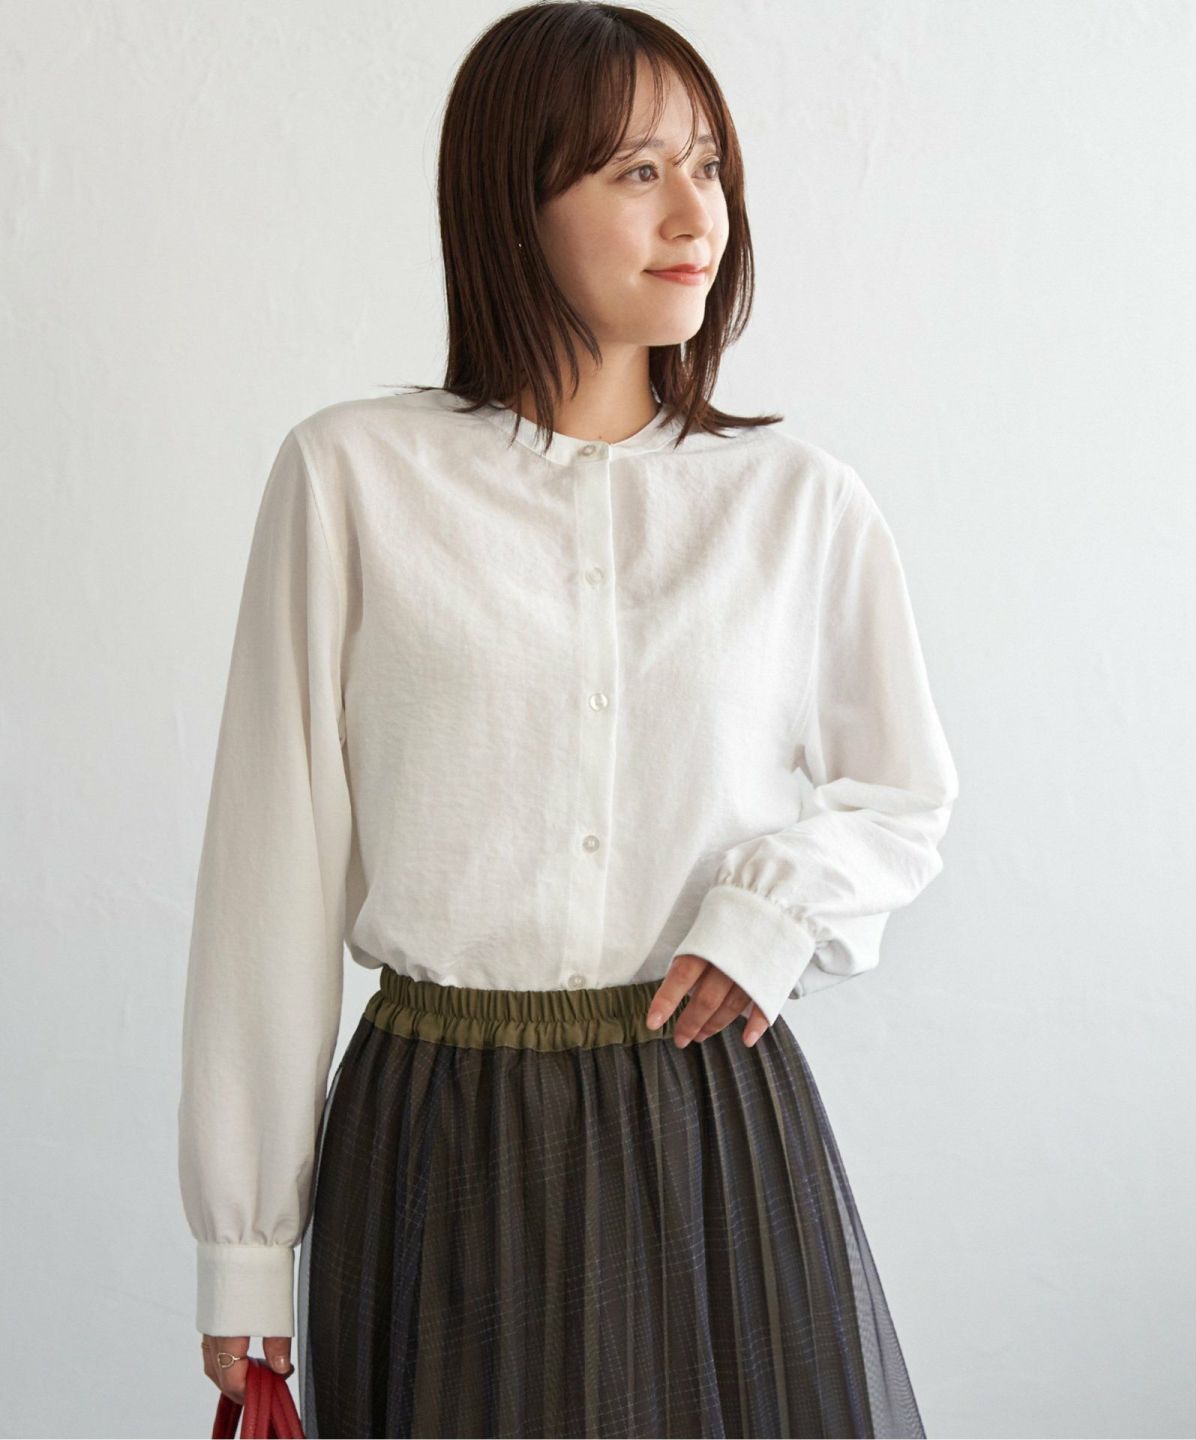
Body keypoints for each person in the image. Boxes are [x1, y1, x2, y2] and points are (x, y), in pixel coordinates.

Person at [179, 4, 959, 1436]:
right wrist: (246, 1243)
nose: (696, 214)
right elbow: (268, 877)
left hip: (711, 1133)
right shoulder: (353, 479)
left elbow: (902, 796)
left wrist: (770, 913)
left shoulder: (796, 504)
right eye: (635, 171)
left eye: (708, 165)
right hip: (442, 1140)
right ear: (511, 202)